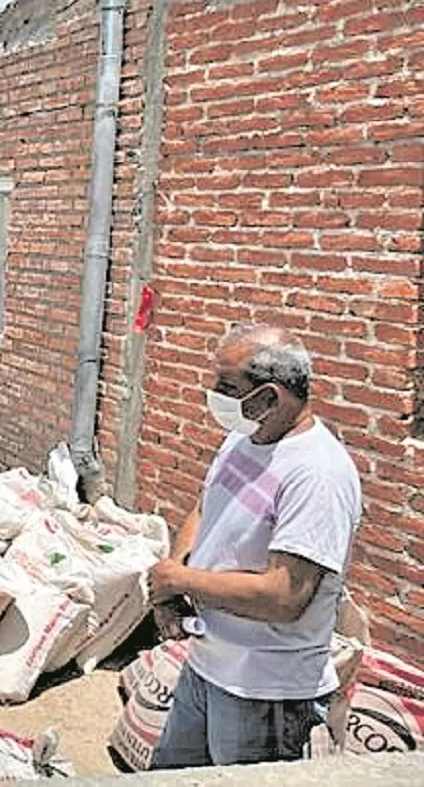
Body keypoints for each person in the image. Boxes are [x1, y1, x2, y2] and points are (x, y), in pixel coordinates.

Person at [146, 325, 361, 770]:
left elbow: (284, 598)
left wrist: (182, 579)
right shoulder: (245, 438)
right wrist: (171, 589)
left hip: (264, 693)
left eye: (227, 387)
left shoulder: (317, 474)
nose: (213, 395)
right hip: (207, 666)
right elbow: (207, 509)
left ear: (270, 397)